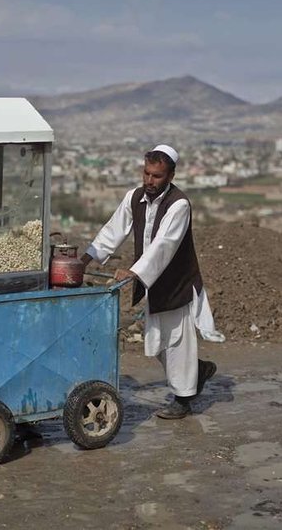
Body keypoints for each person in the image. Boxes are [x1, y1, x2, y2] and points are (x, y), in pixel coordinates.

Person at [80, 144, 221, 419]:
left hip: (176, 283)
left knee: (177, 341)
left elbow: (163, 245)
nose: (149, 181)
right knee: (155, 340)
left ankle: (183, 399)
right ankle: (198, 371)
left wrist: (133, 272)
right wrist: (84, 259)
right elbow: (114, 229)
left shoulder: (178, 205)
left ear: (170, 176)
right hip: (153, 282)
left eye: (156, 176)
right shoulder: (135, 197)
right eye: (146, 173)